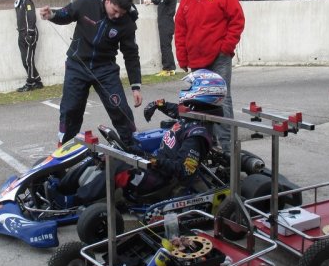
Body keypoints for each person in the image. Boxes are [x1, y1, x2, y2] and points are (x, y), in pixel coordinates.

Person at [45, 70, 226, 207]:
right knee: (102, 155)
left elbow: (182, 171)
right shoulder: (193, 115)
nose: (185, 91)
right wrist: (157, 104)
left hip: (161, 179)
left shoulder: (197, 136)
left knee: (115, 165)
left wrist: (152, 160)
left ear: (204, 93)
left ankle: (72, 200)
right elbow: (174, 109)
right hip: (155, 163)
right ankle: (61, 186)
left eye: (190, 87)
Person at [39, 0, 143, 147]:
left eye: (121, 13)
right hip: (77, 66)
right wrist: (52, 14)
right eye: (114, 11)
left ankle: (132, 147)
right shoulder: (86, 3)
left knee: (120, 109)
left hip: (105, 69)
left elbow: (131, 54)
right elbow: (66, 14)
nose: (117, 16)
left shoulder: (127, 21)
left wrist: (136, 86)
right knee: (70, 110)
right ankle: (63, 148)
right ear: (108, 0)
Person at [174, 0, 245, 153]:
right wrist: (182, 57)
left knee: (221, 99)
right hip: (197, 61)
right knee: (201, 102)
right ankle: (207, 145)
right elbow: (180, 30)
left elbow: (237, 20)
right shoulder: (186, 1)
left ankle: (230, 149)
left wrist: (227, 47)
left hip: (219, 57)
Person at [10, 0, 43, 92]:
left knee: (28, 60)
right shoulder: (18, 3)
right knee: (25, 60)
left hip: (29, 34)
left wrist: (30, 33)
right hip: (21, 34)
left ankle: (30, 84)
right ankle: (38, 81)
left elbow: (31, 17)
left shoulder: (26, 1)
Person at [148, 0, 177, 76]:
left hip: (167, 25)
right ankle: (171, 68)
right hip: (163, 25)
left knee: (165, 47)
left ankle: (167, 69)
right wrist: (151, 1)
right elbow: (159, 0)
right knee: (165, 47)